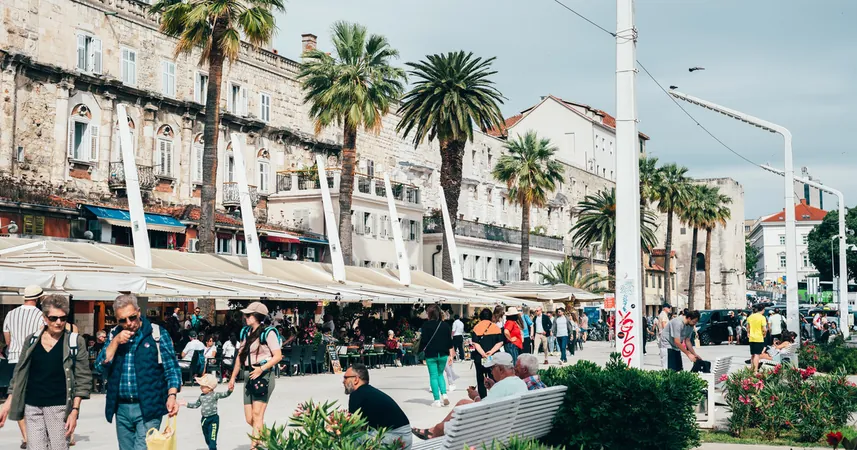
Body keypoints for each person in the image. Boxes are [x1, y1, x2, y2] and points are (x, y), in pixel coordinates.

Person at [0, 295, 91, 450]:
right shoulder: (31, 341)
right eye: (53, 318)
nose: (58, 322)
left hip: (59, 407)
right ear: (44, 318)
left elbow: (83, 379)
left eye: (63, 318)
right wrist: (6, 405)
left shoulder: (75, 341)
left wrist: (74, 411)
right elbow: (19, 374)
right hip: (32, 406)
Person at [95, 294, 181, 450]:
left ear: (139, 312)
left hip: (148, 406)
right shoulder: (114, 335)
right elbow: (100, 366)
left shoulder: (157, 334)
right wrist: (115, 342)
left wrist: (172, 395)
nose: (129, 323)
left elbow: (172, 368)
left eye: (132, 317)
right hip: (122, 407)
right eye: (123, 320)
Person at [411, 352, 528, 441]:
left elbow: (482, 409)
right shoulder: (519, 383)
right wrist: (493, 387)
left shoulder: (502, 386)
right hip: (505, 423)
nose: (491, 372)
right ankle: (432, 431)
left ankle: (434, 432)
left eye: (492, 368)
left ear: (501, 369)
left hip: (491, 428)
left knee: (442, 427)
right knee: (463, 402)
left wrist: (475, 396)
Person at [228, 302, 283, 448]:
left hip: (263, 375)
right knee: (249, 418)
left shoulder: (268, 333)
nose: (245, 317)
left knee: (257, 415)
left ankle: (254, 447)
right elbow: (240, 356)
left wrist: (261, 368)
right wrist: (232, 377)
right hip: (248, 374)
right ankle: (272, 439)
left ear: (257, 316)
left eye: (248, 315)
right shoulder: (245, 332)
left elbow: (278, 356)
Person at [2, 284, 46, 449]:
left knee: (18, 397)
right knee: (34, 397)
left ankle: (26, 437)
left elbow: (7, 338)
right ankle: (36, 435)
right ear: (38, 298)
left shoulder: (11, 314)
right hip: (33, 359)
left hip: (14, 358)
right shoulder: (40, 315)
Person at [344, 364, 412, 449]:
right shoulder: (370, 392)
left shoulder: (357, 395)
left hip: (395, 438)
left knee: (349, 439)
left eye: (346, 378)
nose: (343, 381)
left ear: (356, 379)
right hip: (403, 437)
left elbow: (353, 426)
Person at [181, 373, 233, 450]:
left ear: (209, 388)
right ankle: (211, 446)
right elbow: (196, 405)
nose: (200, 388)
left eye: (203, 386)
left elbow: (224, 394)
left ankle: (213, 447)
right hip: (204, 420)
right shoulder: (201, 396)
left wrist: (229, 391)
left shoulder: (215, 395)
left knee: (212, 439)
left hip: (213, 419)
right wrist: (186, 404)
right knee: (207, 439)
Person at [418, 304, 454, 407]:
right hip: (443, 354)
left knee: (433, 376)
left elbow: (423, 341)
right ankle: (444, 395)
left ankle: (437, 400)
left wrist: (420, 353)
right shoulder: (445, 325)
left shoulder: (425, 326)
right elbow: (449, 341)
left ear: (429, 314)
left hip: (431, 354)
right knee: (440, 374)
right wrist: (451, 355)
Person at [469, 308, 505, 400]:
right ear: (491, 316)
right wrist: (491, 352)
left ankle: (483, 399)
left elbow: (475, 343)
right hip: (493, 357)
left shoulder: (477, 327)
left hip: (480, 357)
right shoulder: (496, 327)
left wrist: (483, 353)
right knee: (494, 377)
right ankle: (495, 397)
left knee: (480, 378)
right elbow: (500, 342)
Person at [747, 304, 768, 372]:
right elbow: (764, 329)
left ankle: (752, 368)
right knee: (757, 354)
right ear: (763, 310)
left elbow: (748, 327)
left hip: (751, 338)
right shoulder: (762, 317)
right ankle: (755, 370)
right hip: (758, 337)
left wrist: (748, 333)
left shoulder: (750, 317)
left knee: (753, 354)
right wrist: (764, 334)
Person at [657, 304, 672, 369]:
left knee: (665, 353)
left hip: (663, 334)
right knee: (665, 353)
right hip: (664, 335)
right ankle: (665, 369)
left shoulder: (663, 314)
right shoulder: (663, 314)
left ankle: (665, 367)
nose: (669, 309)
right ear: (664, 308)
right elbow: (663, 324)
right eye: (668, 308)